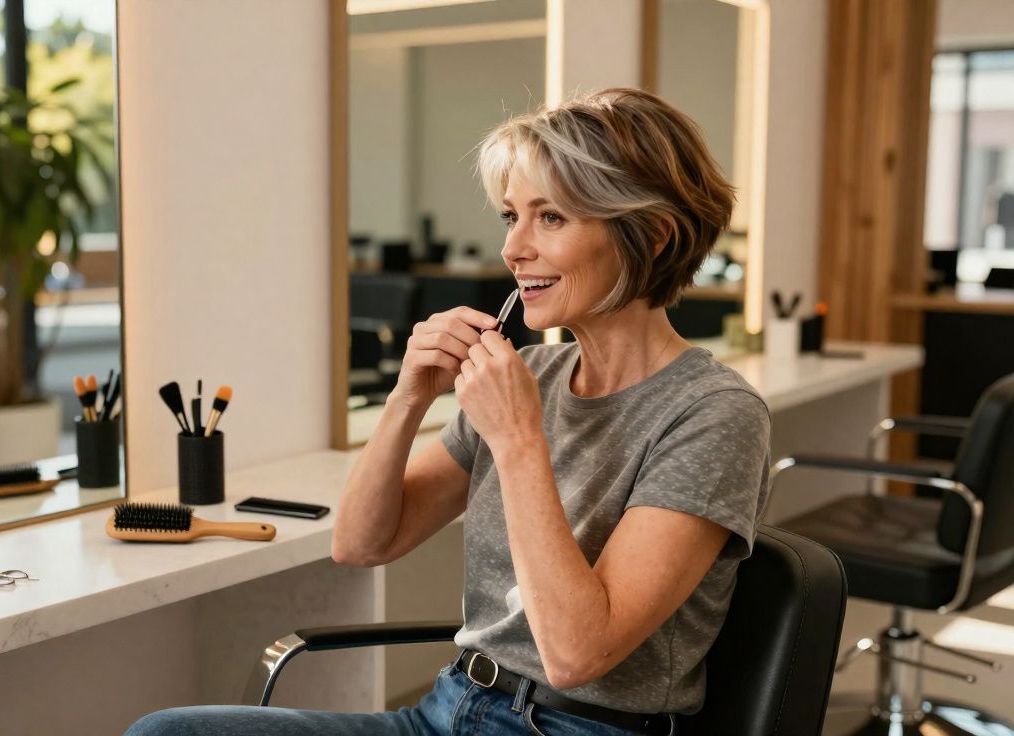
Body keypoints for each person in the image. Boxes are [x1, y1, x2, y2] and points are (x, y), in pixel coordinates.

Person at [127, 88, 770, 736]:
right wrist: (409, 398)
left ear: (653, 237)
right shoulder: (535, 376)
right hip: (449, 711)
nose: (513, 249)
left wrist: (519, 440)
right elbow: (361, 543)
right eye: (510, 217)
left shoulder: (712, 414)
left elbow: (579, 653)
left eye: (550, 218)